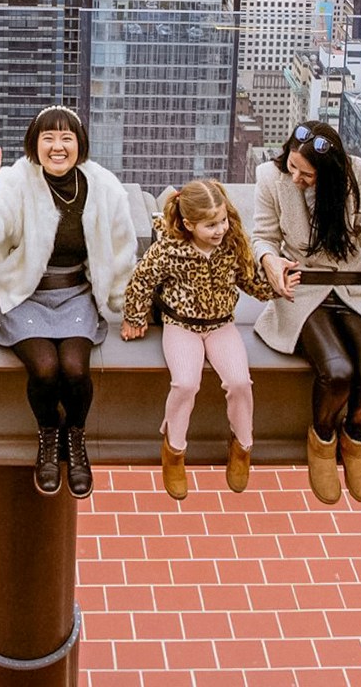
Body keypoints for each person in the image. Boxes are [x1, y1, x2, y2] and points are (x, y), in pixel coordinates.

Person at [0, 106, 137, 499]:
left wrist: (126, 306)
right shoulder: (15, 182)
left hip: (76, 294)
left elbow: (120, 250)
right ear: (35, 144)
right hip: (24, 292)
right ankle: (49, 434)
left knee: (75, 368)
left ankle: (76, 438)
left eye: (66, 137)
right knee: (46, 368)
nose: (57, 146)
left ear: (79, 145)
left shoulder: (103, 186)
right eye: (48, 137)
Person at [251, 121, 361, 506]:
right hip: (304, 288)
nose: (297, 178)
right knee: (336, 371)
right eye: (293, 168)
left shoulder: (356, 174)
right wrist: (270, 261)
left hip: (354, 284)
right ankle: (322, 442)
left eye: (307, 174)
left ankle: (355, 440)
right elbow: (263, 237)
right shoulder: (270, 178)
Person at [121, 179, 274, 501]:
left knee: (240, 383)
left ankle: (242, 446)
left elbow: (248, 281)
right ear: (189, 224)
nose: (219, 229)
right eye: (210, 225)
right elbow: (142, 280)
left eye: (222, 221)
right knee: (185, 384)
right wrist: (135, 318)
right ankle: (174, 450)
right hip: (181, 325)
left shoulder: (232, 244)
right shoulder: (169, 248)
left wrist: (277, 285)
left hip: (221, 325)